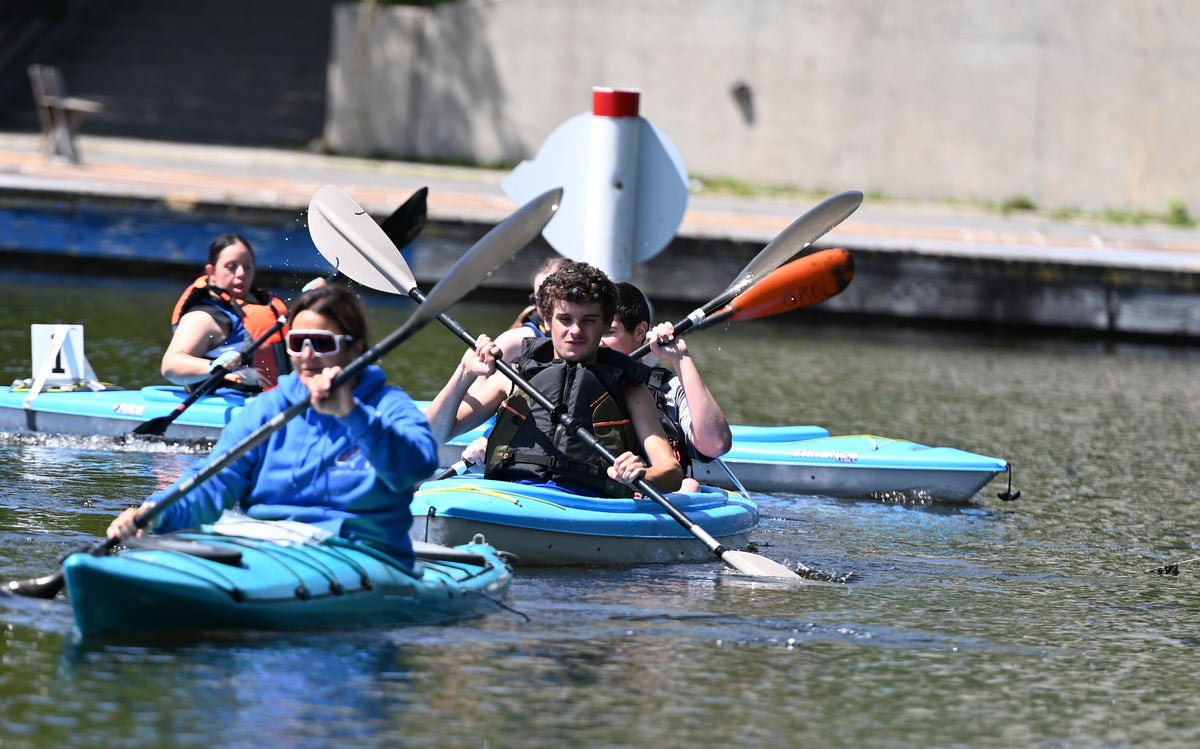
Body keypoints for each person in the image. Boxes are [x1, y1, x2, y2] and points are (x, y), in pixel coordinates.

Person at [108, 284, 439, 568]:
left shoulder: (388, 405)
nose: (307, 355)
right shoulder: (266, 409)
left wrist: (352, 413)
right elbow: (214, 482)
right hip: (270, 545)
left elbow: (415, 468)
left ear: (355, 349)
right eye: (297, 343)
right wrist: (156, 511)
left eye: (322, 344)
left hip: (359, 552)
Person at [425, 261, 683, 497]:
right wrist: (464, 373)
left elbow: (670, 472)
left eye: (589, 321)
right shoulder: (516, 374)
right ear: (547, 320)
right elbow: (429, 435)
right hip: (511, 498)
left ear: (605, 325)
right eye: (565, 319)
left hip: (590, 505)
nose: (576, 331)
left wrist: (642, 475)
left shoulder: (628, 385)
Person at [602, 282, 733, 493]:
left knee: (689, 486)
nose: (598, 342)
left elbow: (715, 445)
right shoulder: (570, 378)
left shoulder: (667, 389)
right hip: (590, 498)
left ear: (640, 332)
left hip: (654, 500)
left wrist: (680, 358)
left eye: (608, 332)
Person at [162, 233, 290, 392]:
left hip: (271, 400)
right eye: (231, 266)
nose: (241, 273)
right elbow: (170, 365)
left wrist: (313, 299)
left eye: (247, 266)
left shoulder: (248, 310)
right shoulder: (203, 318)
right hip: (224, 405)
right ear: (212, 272)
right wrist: (213, 366)